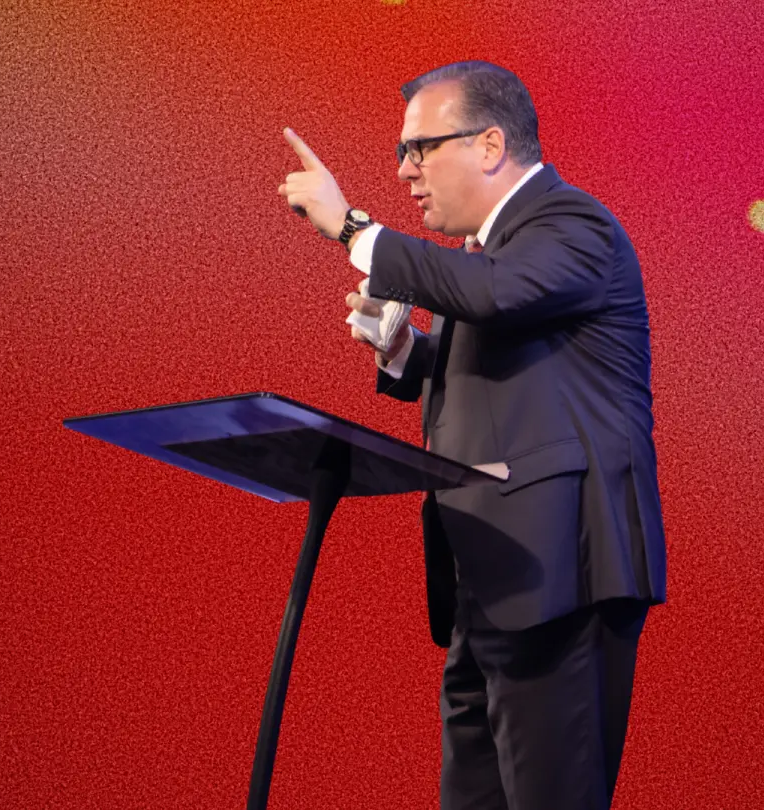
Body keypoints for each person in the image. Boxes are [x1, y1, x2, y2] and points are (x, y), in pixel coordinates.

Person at [277, 61, 666, 810]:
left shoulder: (572, 224)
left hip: (563, 574)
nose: (404, 171)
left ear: (490, 145)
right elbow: (501, 366)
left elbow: (494, 297)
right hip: (488, 581)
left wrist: (352, 228)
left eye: (419, 149)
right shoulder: (485, 255)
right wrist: (406, 351)